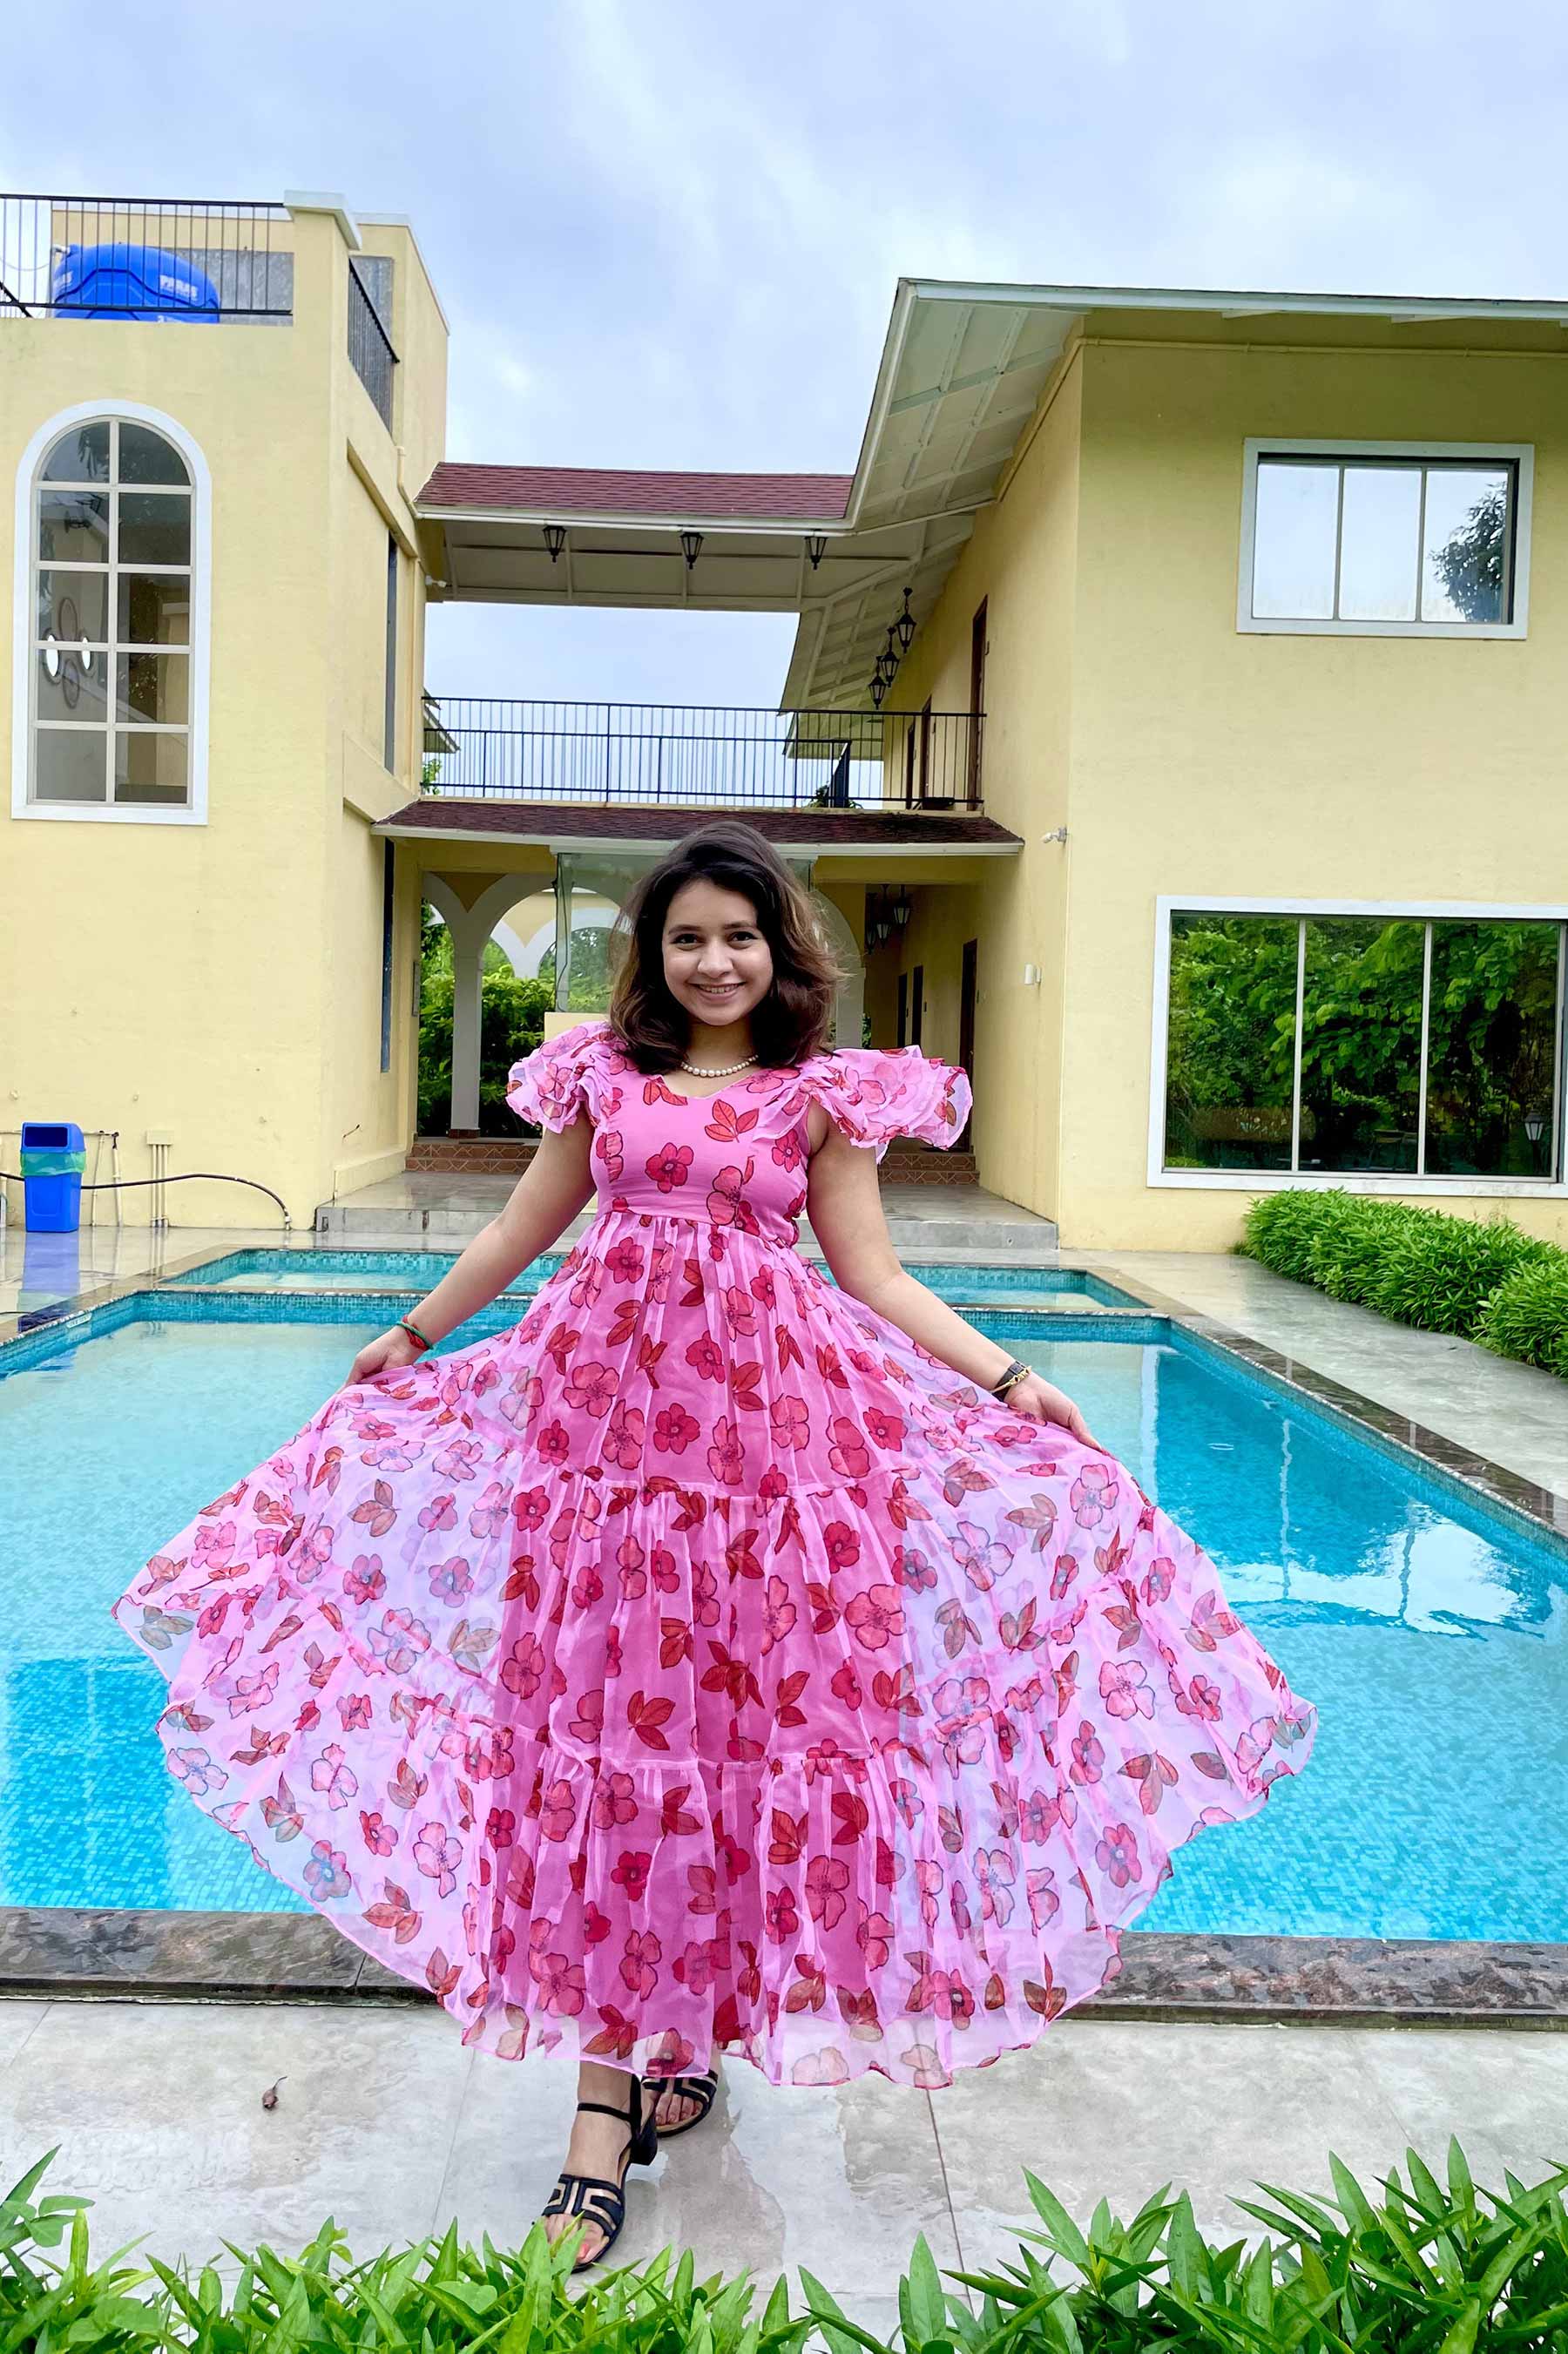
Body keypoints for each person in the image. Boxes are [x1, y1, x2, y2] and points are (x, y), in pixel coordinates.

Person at [114, 819, 1316, 2270]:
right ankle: (595, 2125)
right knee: (610, 1756)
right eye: (687, 935)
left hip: (771, 1472)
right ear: (653, 954)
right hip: (601, 1470)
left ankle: (676, 2043)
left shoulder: (823, 1098)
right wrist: (415, 1330)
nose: (715, 958)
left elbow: (870, 1272)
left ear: (779, 946)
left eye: (738, 934)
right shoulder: (601, 1082)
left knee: (733, 1758)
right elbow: (527, 1225)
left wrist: (1007, 1380)